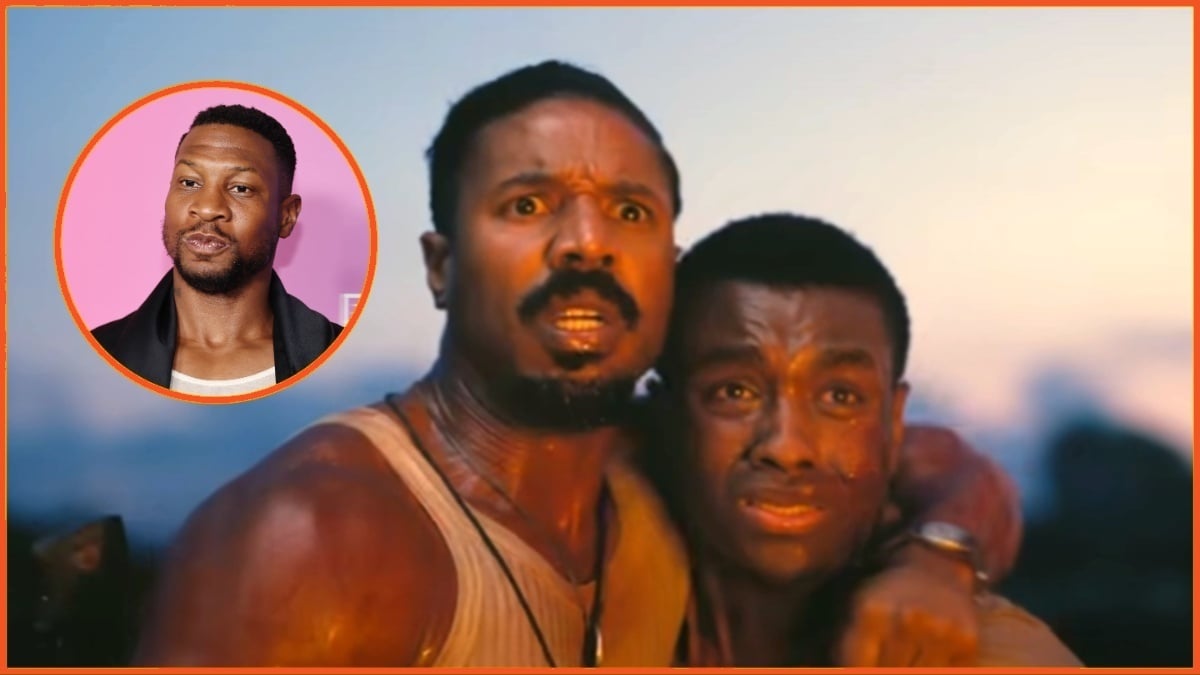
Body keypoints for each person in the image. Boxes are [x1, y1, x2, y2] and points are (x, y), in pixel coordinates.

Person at [135, 61, 1022, 666]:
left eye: (630, 213)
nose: (588, 244)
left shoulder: (658, 455)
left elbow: (940, 461)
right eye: (529, 202)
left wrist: (939, 560)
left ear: (670, 270)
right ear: (441, 266)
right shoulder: (316, 539)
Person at [646, 213, 1081, 666]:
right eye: (734, 392)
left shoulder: (999, 656)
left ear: (893, 421)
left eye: (840, 396)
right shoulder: (607, 563)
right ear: (663, 413)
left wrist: (938, 562)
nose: (787, 448)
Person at [91, 104, 342, 396]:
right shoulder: (97, 356)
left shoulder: (339, 359)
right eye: (189, 182)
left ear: (286, 216)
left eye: (240, 188)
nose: (208, 208)